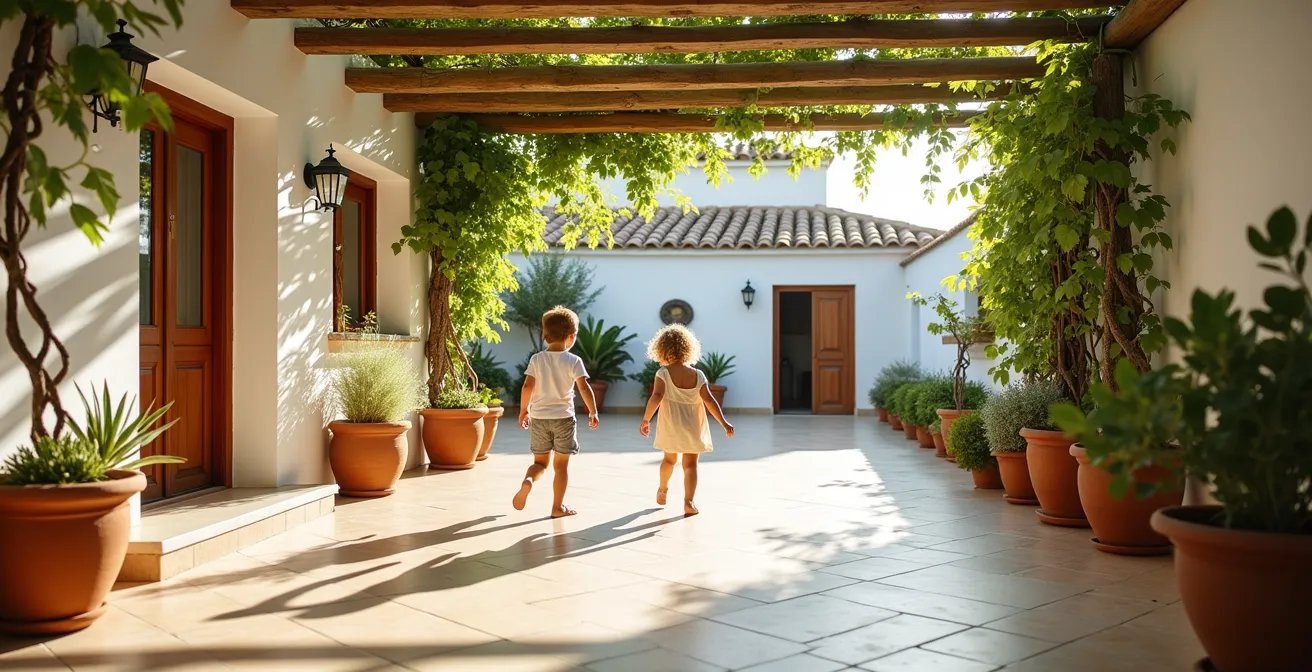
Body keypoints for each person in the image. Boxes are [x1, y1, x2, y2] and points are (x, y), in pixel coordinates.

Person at [639, 324, 734, 516]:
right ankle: (689, 502)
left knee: (668, 460)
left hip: (670, 425)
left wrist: (646, 419)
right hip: (692, 426)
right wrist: (724, 422)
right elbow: (709, 400)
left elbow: (656, 397)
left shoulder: (663, 373)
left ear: (661, 349)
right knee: (690, 465)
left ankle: (663, 488)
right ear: (688, 349)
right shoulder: (698, 375)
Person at [514, 306, 598, 518]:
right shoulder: (573, 361)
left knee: (540, 463)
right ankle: (557, 507)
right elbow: (584, 388)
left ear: (545, 335)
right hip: (564, 420)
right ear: (572, 336)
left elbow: (527, 387)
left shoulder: (537, 359)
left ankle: (529, 480)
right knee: (561, 467)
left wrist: (524, 411)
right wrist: (592, 410)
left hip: (539, 418)